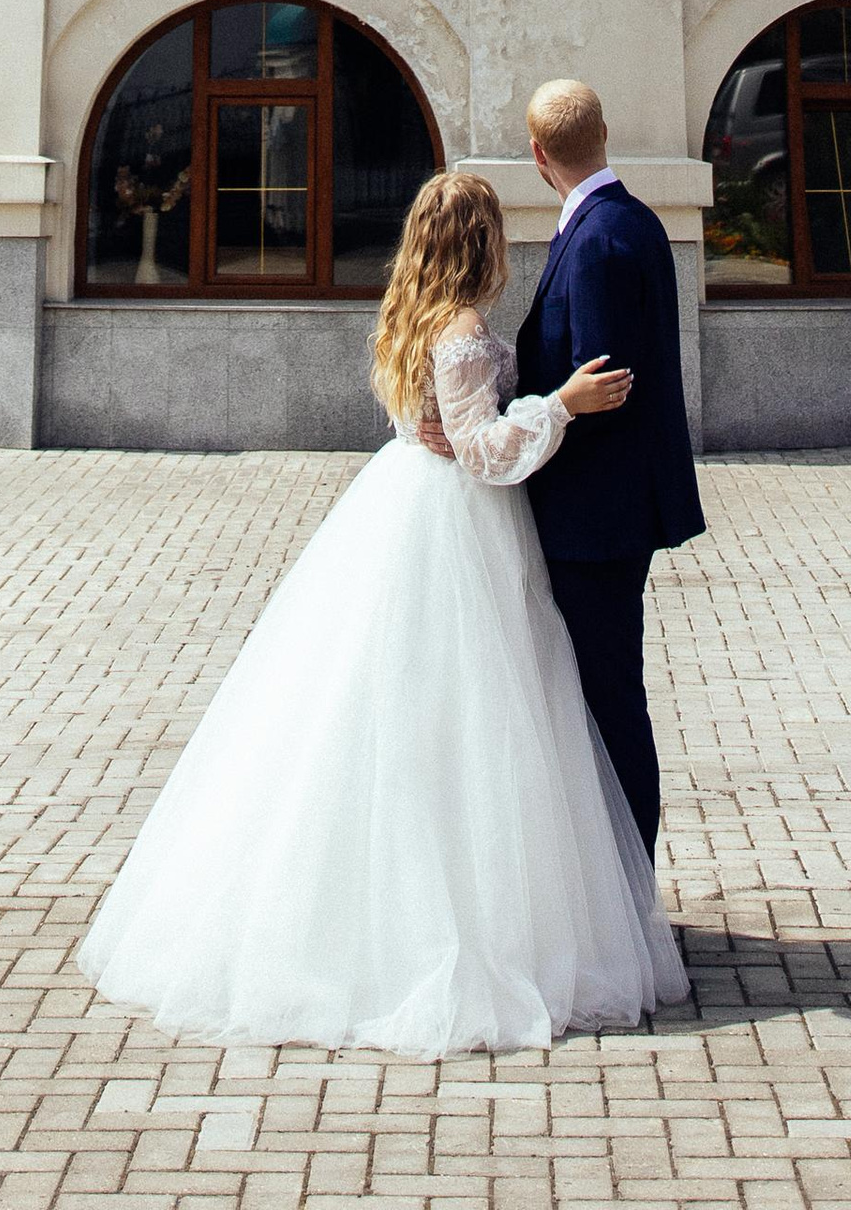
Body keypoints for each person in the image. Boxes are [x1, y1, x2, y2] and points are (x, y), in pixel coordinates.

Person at [79, 167, 686, 1053]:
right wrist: (560, 405)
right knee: (470, 716)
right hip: (459, 522)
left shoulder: (411, 316)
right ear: (480, 243)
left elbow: (441, 423)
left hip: (405, 503)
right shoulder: (464, 329)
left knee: (397, 710)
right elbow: (480, 451)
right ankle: (461, 922)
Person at [513, 79, 706, 858]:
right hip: (613, 508)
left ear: (537, 155)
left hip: (595, 518)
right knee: (607, 692)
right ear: (603, 133)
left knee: (608, 699)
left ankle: (627, 882)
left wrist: (519, 425)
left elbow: (599, 390)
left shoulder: (596, 240)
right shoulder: (632, 219)